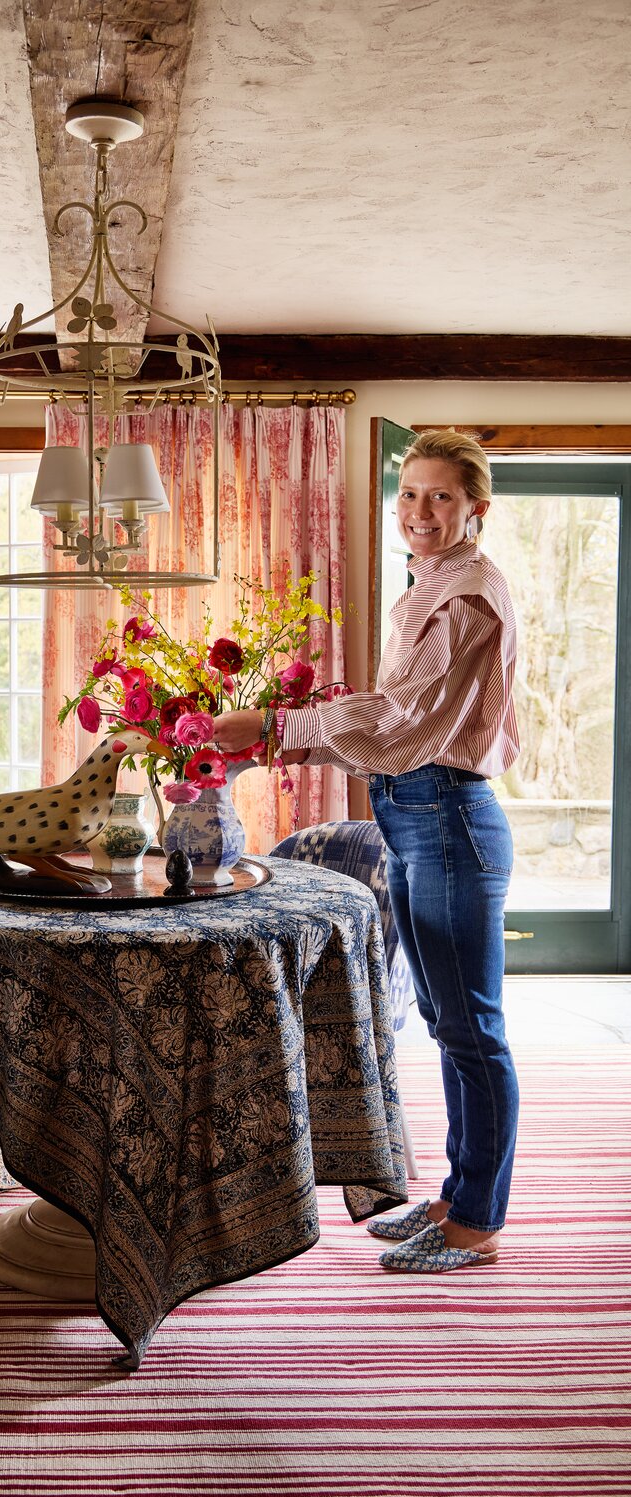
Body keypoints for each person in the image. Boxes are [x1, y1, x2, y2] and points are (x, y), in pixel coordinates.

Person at [211, 428, 520, 1273]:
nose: (420, 511)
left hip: (448, 820)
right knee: (448, 1021)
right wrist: (275, 746)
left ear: (475, 509)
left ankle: (477, 1222)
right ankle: (460, 1197)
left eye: (442, 497)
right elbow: (391, 733)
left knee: (473, 1030)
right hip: (420, 813)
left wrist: (274, 727)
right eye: (410, 494)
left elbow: (406, 722)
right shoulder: (432, 586)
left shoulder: (467, 596)